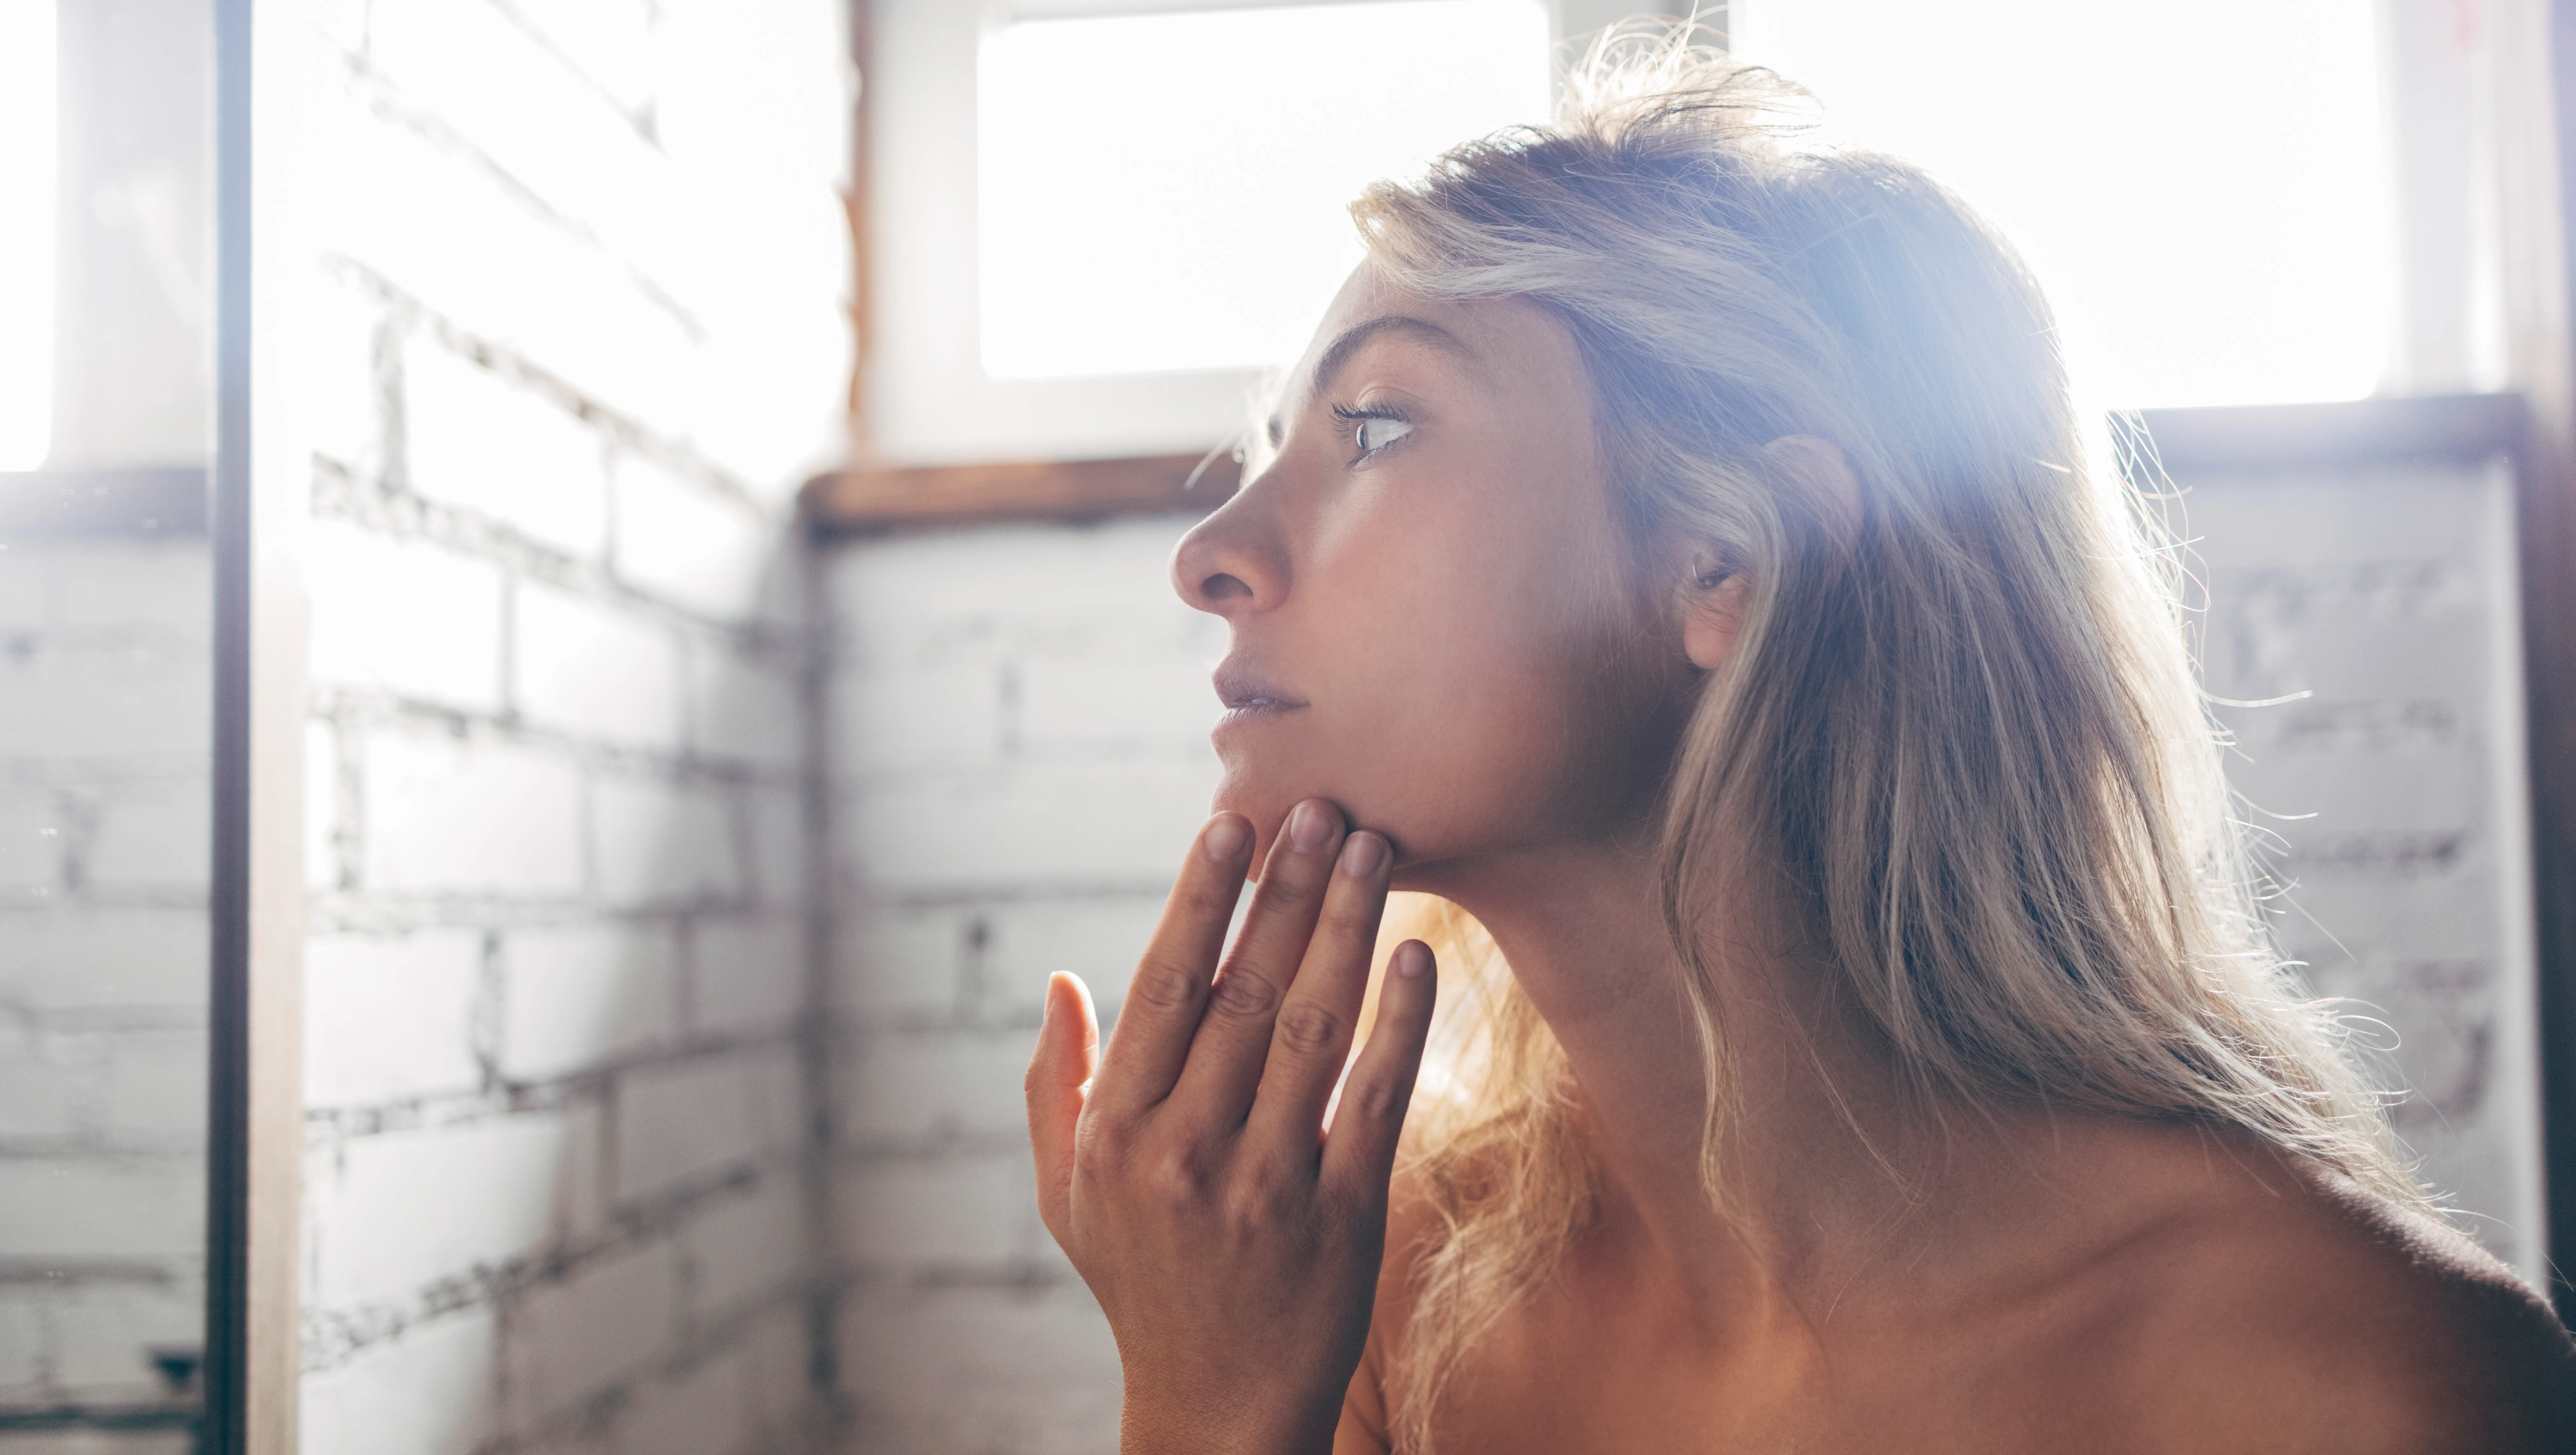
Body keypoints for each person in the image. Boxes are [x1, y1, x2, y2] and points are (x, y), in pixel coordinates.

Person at [1022, 27, 2576, 1453]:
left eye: (1376, 425)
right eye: (1267, 447)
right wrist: (1206, 1406)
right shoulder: (1363, 1285)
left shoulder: (2345, 1375)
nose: (1212, 552)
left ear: (1727, 564)